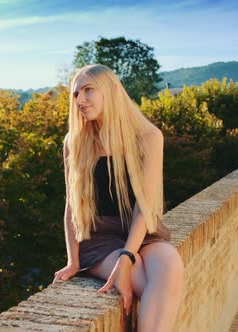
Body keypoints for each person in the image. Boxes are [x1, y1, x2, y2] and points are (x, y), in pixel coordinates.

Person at [52, 64, 184, 331]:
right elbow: (71, 205)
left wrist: (127, 256)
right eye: (76, 94)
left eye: (88, 90)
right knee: (145, 284)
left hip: (142, 231)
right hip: (99, 239)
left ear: (112, 90)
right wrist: (73, 261)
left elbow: (143, 209)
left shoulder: (148, 137)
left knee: (171, 267)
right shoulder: (74, 142)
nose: (80, 100)